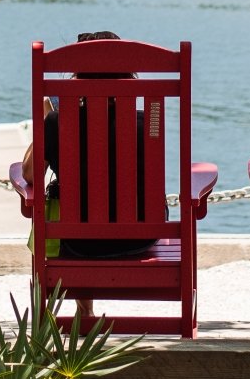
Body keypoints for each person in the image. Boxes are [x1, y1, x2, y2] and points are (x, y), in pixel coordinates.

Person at [22, 30, 160, 261]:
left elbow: (30, 175)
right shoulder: (147, 123)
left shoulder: (59, 122)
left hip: (80, 244)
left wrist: (48, 121)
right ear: (128, 75)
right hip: (142, 239)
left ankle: (83, 293)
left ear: (78, 77)